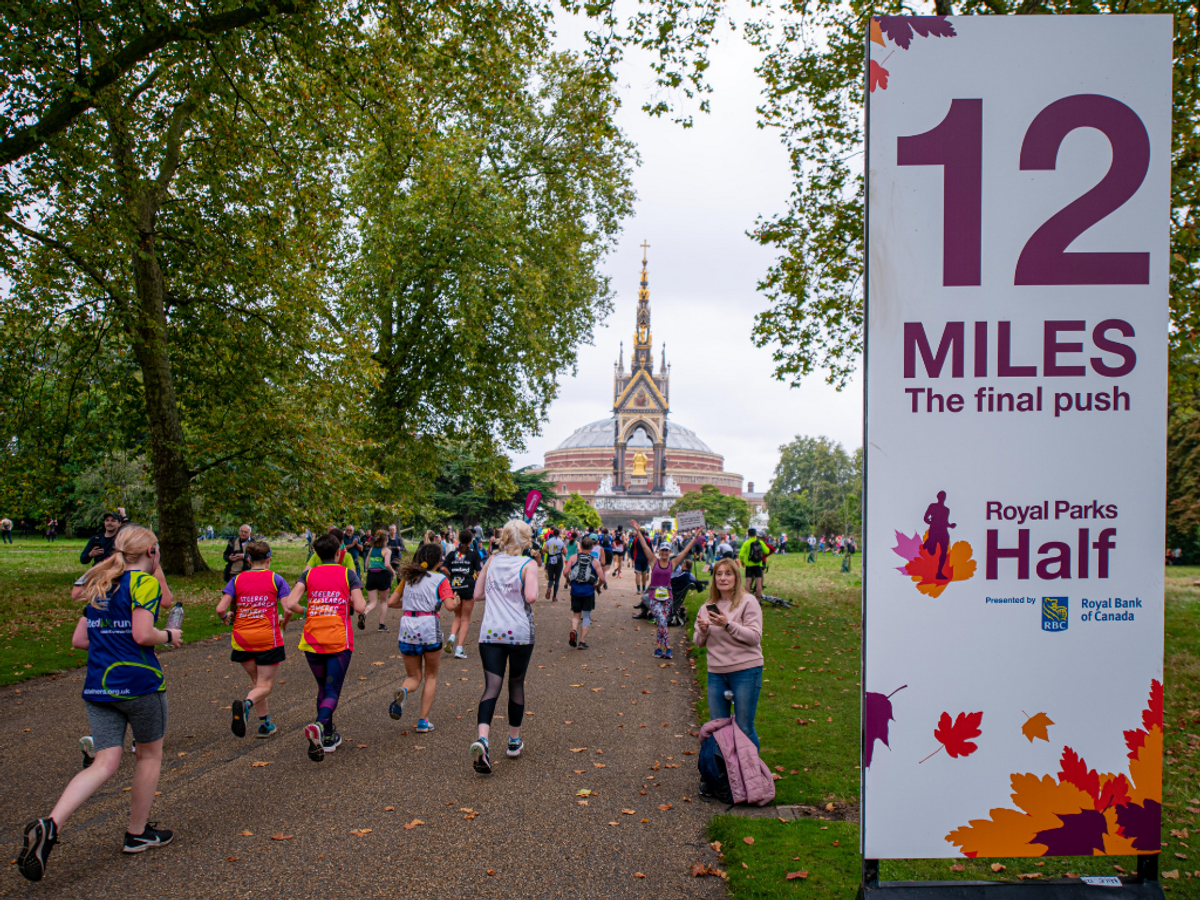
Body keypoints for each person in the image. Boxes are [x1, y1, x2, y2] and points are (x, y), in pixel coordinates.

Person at [18, 525, 180, 882]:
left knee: (104, 762)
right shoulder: (144, 584)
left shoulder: (100, 583)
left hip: (99, 685)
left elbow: (80, 638)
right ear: (152, 552)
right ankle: (137, 833)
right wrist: (169, 635)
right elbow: (142, 634)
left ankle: (52, 824)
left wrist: (111, 638)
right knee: (149, 756)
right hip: (140, 684)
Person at [282, 532, 366, 762]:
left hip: (312, 639)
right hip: (339, 639)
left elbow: (290, 603)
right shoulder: (348, 573)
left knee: (322, 687)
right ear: (339, 552)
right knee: (332, 690)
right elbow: (359, 607)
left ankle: (328, 736)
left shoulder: (308, 573)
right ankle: (319, 726)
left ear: (317, 554)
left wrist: (308, 610)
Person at [469, 520, 538, 774]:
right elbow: (530, 597)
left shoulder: (491, 561)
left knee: (492, 686)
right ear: (526, 539)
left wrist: (497, 591)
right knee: (516, 684)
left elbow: (477, 594)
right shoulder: (528, 564)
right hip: (519, 632)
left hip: (490, 632)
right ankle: (513, 740)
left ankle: (483, 739)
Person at [216, 540, 290, 739]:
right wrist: (284, 621)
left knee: (258, 682)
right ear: (269, 559)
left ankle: (264, 723)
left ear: (248, 559)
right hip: (267, 638)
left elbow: (220, 608)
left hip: (242, 639)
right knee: (265, 686)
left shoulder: (237, 580)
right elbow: (288, 608)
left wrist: (225, 618)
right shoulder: (277, 579)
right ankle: (246, 705)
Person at [693, 558, 764, 748]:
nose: (723, 578)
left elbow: (755, 637)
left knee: (744, 728)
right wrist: (703, 629)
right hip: (716, 672)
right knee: (718, 727)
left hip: (745, 670)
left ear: (736, 577)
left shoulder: (748, 602)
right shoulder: (707, 607)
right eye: (719, 574)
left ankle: (750, 776)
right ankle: (723, 775)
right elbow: (698, 642)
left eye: (728, 573)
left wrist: (727, 624)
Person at [386, 542, 456, 733]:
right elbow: (450, 606)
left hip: (408, 628)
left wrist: (412, 604)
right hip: (429, 628)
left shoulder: (408, 578)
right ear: (438, 561)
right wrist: (455, 599)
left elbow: (392, 602)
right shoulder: (441, 580)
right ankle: (423, 721)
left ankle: (405, 690)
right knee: (430, 676)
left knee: (413, 676)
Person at [631, 520, 698, 660]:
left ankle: (658, 648)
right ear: (659, 551)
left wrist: (695, 537)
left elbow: (685, 551)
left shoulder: (672, 563)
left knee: (662, 622)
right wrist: (638, 531)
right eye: (663, 550)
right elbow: (644, 546)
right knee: (661, 620)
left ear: (670, 552)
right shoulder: (654, 561)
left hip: (667, 598)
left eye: (667, 550)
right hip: (654, 597)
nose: (665, 553)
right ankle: (668, 647)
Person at [443, 529, 482, 658]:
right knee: (465, 619)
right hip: (468, 587)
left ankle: (452, 636)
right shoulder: (474, 554)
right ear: (471, 540)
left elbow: (443, 568)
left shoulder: (452, 554)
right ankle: (459, 649)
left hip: (455, 587)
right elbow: (479, 572)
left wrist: (450, 576)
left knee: (457, 616)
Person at [565, 535, 606, 649]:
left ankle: (574, 630)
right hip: (588, 591)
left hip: (575, 590)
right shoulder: (594, 561)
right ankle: (582, 642)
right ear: (592, 548)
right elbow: (602, 578)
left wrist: (569, 580)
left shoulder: (573, 558)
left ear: (581, 546)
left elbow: (565, 571)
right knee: (586, 616)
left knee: (576, 614)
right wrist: (598, 586)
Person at [360, 530, 394, 632]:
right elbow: (387, 564)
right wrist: (393, 572)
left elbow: (366, 565)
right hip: (382, 576)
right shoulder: (387, 550)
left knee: (373, 603)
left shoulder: (371, 549)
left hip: (371, 576)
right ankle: (381, 625)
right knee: (383, 601)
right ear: (386, 539)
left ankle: (364, 613)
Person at [738, 528, 773, 601]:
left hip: (749, 565)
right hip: (758, 564)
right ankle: (758, 600)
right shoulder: (760, 542)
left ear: (748, 533)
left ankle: (747, 599)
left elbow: (741, 554)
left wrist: (742, 561)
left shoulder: (746, 543)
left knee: (748, 582)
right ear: (755, 533)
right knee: (758, 583)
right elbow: (767, 551)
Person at [542, 527, 566, 602]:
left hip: (550, 559)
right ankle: (554, 596)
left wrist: (547, 552)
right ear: (559, 534)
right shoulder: (561, 542)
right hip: (558, 559)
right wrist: (561, 552)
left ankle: (549, 587)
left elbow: (543, 549)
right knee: (557, 579)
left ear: (552, 533)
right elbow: (565, 552)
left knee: (551, 578)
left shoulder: (548, 541)